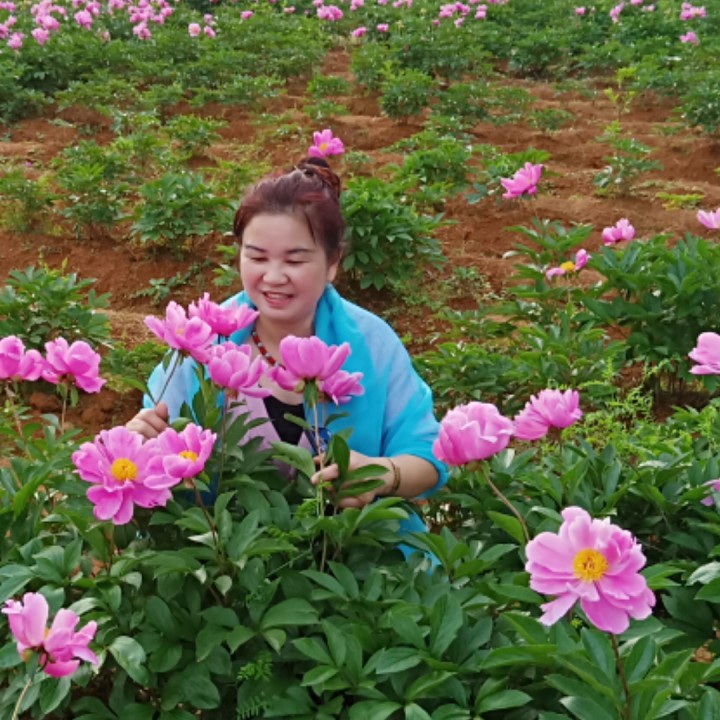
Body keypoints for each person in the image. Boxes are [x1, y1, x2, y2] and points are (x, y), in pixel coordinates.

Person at [126, 157, 447, 547]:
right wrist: (139, 446)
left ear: (332, 264)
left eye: (295, 260)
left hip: (354, 555)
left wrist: (382, 474)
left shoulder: (371, 343)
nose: (273, 277)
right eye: (257, 257)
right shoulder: (202, 341)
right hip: (217, 561)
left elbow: (428, 454)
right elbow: (156, 450)